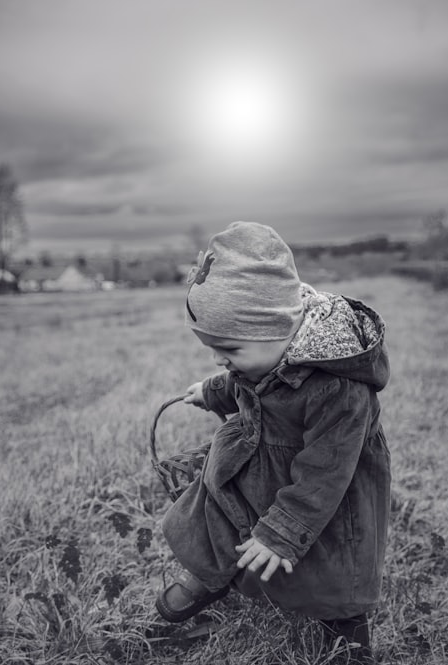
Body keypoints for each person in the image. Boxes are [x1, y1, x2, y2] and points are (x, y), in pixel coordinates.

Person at [157, 221, 391, 663]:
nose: (219, 358)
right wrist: (212, 391)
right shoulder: (266, 353)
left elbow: (326, 470)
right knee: (212, 508)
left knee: (335, 563)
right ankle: (212, 574)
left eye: (228, 348)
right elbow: (244, 383)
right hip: (256, 463)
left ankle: (345, 626)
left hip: (324, 490)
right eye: (213, 348)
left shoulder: (338, 388)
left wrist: (284, 530)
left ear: (279, 330)